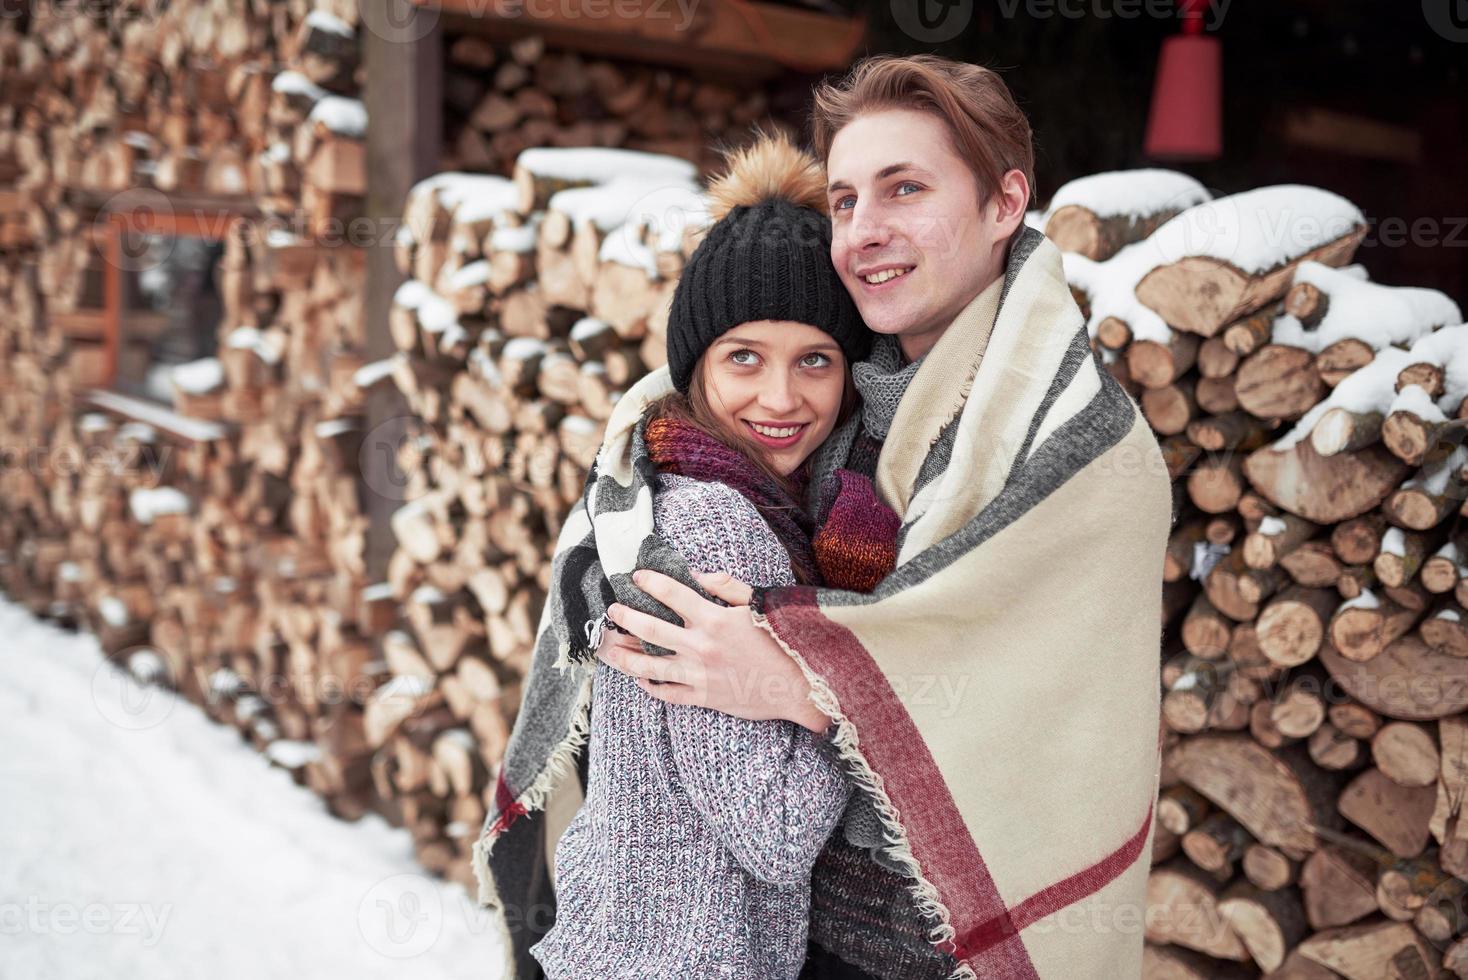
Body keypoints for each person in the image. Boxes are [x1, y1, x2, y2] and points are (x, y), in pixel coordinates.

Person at [589, 55, 1174, 979]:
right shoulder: (857, 398)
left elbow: (1040, 728)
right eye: (849, 199)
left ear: (1003, 202)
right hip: (794, 947)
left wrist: (808, 685)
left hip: (956, 951)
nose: (866, 230)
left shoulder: (1077, 448)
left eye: (906, 188)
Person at [508, 132, 902, 979]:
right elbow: (780, 832)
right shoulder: (717, 528)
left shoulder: (665, 495)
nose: (781, 398)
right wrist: (838, 680)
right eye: (744, 358)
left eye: (815, 360)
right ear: (695, 366)